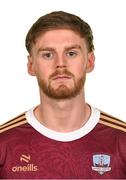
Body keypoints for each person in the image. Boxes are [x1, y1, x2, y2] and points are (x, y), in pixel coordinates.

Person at [0, 11, 126, 179]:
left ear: (89, 62)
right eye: (48, 55)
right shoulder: (4, 144)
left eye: (71, 53)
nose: (60, 64)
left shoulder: (121, 141)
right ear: (31, 65)